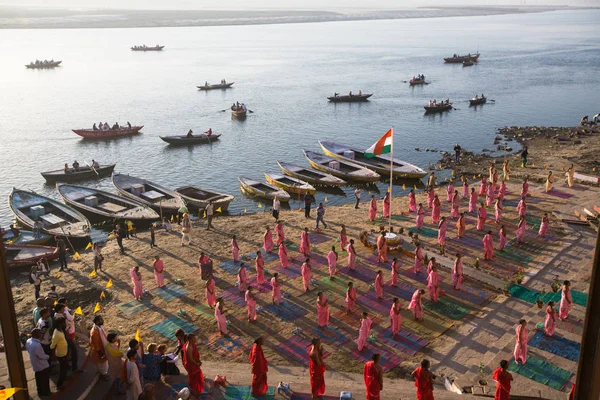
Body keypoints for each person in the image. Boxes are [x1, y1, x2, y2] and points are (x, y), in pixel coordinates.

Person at [27, 328, 51, 397]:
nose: (41, 335)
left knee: (38, 380)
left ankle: (40, 392)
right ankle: (46, 393)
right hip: (42, 365)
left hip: (35, 364)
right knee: (45, 380)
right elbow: (41, 356)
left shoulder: (28, 341)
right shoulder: (37, 345)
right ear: (37, 335)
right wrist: (48, 356)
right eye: (40, 333)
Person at [50, 318, 69, 389]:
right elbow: (52, 346)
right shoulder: (57, 334)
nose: (65, 324)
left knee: (65, 368)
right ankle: (59, 385)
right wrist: (53, 356)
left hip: (64, 352)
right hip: (61, 355)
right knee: (63, 370)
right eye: (63, 323)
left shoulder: (60, 330)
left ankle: (64, 378)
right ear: (60, 324)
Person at [90, 315, 109, 380]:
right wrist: (100, 353)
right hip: (99, 351)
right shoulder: (94, 332)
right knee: (102, 364)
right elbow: (96, 345)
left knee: (103, 364)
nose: (102, 320)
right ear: (97, 322)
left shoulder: (99, 327)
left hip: (103, 348)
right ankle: (103, 375)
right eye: (101, 319)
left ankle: (103, 373)